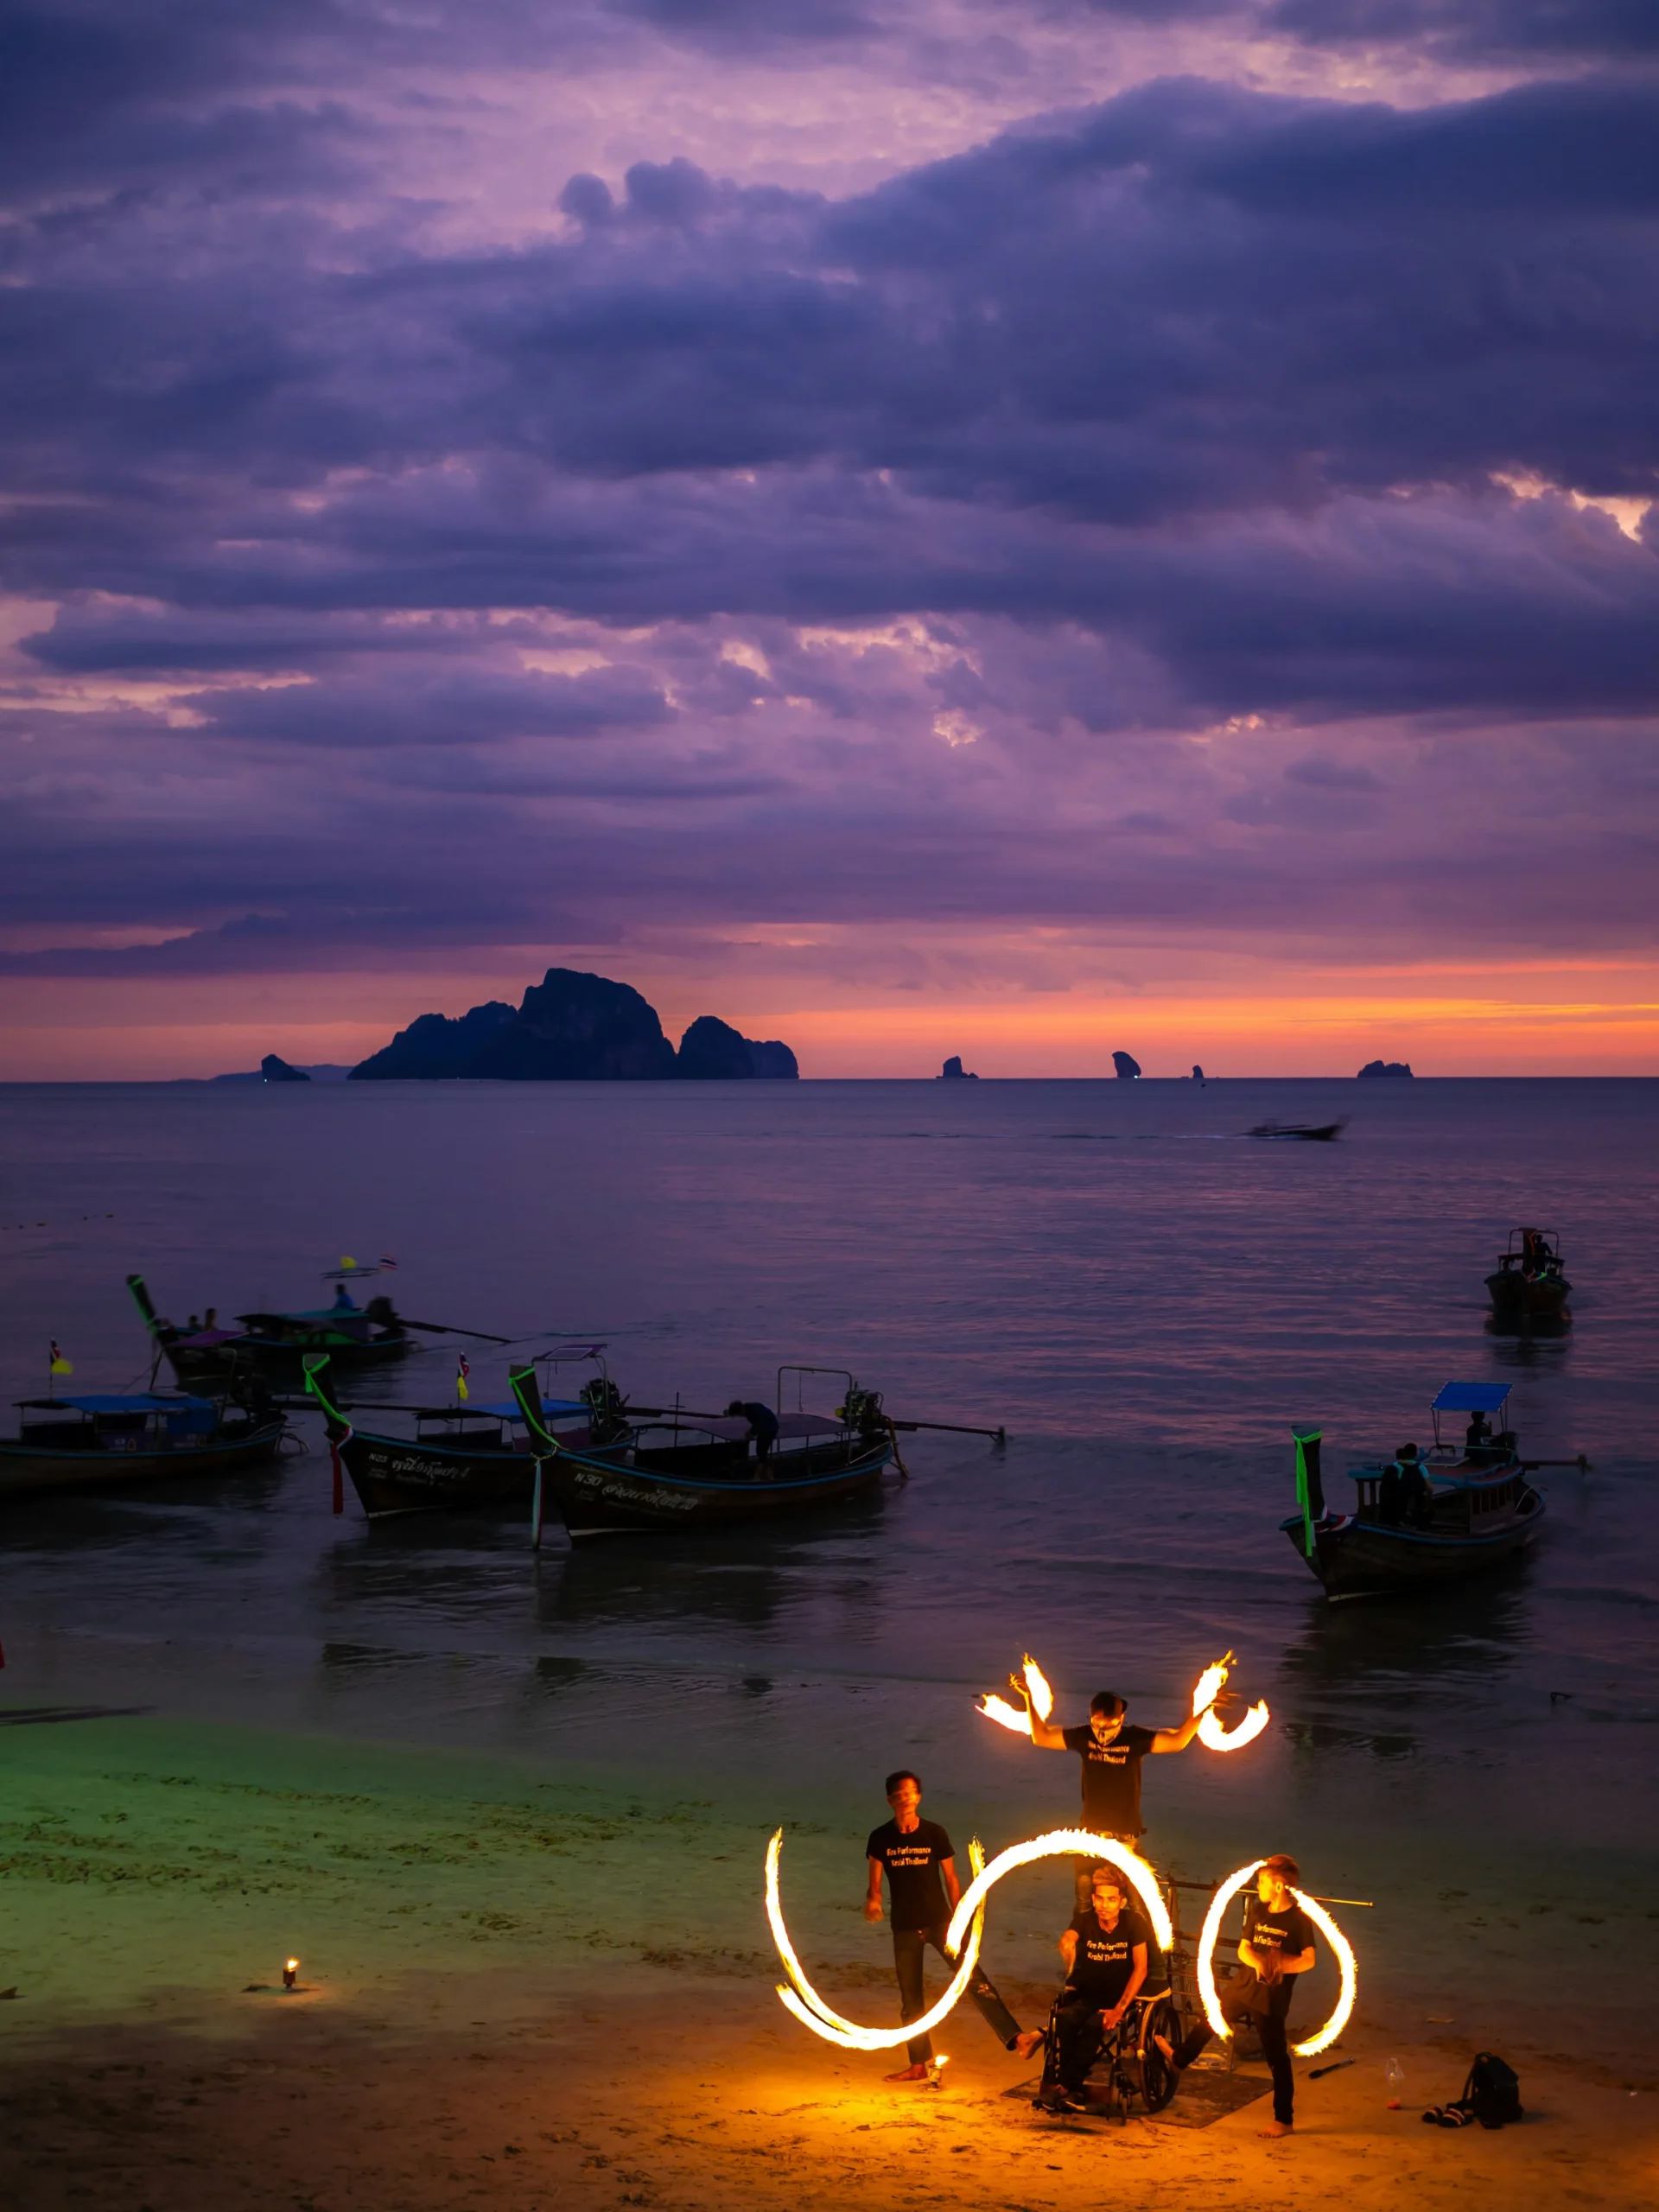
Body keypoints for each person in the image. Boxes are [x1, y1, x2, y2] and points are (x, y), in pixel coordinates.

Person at [864, 1770, 1026, 2084]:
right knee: (911, 2000)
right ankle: (918, 2065)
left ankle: (1017, 2038)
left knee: (975, 1980)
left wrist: (958, 1918)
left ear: (918, 1797)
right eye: (898, 1795)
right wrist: (873, 1903)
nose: (905, 1799)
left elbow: (951, 1879)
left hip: (941, 1923)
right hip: (905, 1927)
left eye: (910, 1793)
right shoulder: (880, 1838)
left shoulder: (934, 1833)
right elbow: (875, 1886)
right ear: (890, 1800)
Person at [1014, 1673, 1216, 1906]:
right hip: (1090, 1836)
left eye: (1109, 1724)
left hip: (1126, 1837)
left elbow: (1177, 1741)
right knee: (1085, 1903)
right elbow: (1041, 1737)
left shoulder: (1135, 1739)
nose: (1102, 1730)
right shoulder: (1083, 1736)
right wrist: (1028, 1698)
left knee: (1141, 1904)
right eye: (1097, 1723)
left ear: (1121, 1718)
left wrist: (1203, 1711)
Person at [1162, 1853, 1316, 2138]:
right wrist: (1260, 1963)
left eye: (1262, 1882)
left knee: (1277, 2059)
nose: (1257, 1886)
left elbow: (1309, 1960)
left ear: (1279, 1886)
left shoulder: (1299, 1921)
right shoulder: (1259, 1910)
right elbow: (1244, 1948)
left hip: (1270, 1998)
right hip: (1244, 1986)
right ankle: (1180, 2059)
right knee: (1210, 2021)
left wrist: (1279, 1966)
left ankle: (1284, 2120)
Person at [1035, 1864, 1153, 2110]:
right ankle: (1073, 2090)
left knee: (1092, 2025)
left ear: (1121, 1902)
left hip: (1120, 2000)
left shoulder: (1134, 1923)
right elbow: (1071, 1935)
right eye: (1100, 1898)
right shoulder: (1085, 1919)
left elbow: (1141, 1968)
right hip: (1089, 1996)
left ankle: (1064, 2088)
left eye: (1111, 1899)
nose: (1104, 1905)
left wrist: (1119, 2009)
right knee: (1065, 2019)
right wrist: (1067, 1944)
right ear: (1093, 1898)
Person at [725, 1398, 779, 1472]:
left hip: (770, 1428)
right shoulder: (749, 1409)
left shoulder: (752, 1411)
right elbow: (757, 1422)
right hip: (766, 1426)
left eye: (739, 1415)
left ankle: (763, 1472)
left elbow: (760, 1421)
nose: (741, 1416)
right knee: (761, 1451)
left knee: (761, 1450)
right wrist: (751, 1432)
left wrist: (752, 1432)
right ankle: (765, 1470)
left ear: (740, 1411)